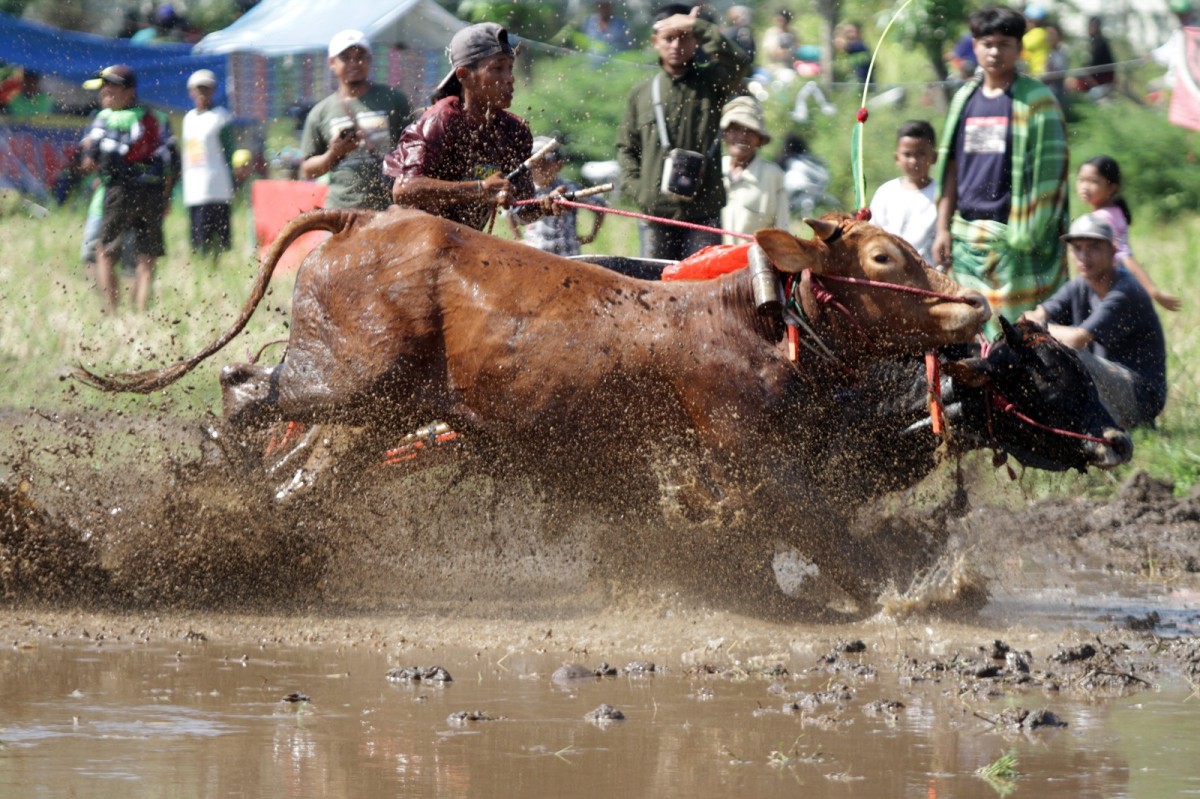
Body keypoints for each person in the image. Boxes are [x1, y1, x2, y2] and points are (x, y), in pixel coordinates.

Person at [932, 5, 1069, 334]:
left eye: (1004, 44)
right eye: (987, 43)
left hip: (1016, 240)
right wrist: (942, 228)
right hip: (966, 238)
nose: (995, 52)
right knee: (968, 338)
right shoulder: (964, 98)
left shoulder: (1037, 100)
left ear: (1019, 49)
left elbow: (1052, 176)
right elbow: (951, 167)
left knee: (1017, 342)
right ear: (974, 45)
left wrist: (1031, 230)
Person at [385, 23, 559, 230]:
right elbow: (404, 190)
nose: (510, 78)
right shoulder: (441, 120)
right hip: (420, 243)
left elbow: (521, 212)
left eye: (510, 68)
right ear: (464, 75)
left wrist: (545, 206)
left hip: (469, 246)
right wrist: (480, 188)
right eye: (497, 68)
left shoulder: (514, 131)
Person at [616, 4, 752, 260]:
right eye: (669, 38)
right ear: (655, 42)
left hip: (703, 213)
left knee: (703, 287)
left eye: (684, 37)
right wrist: (640, 191)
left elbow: (739, 63)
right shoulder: (641, 94)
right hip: (655, 214)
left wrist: (698, 27)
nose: (676, 45)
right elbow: (626, 149)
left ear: (695, 42)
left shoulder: (712, 83)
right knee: (655, 286)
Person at [1021, 214, 1167, 429]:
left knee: (1066, 352)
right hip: (1110, 382)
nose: (1084, 256)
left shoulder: (1125, 290)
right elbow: (1035, 314)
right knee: (1048, 349)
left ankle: (1117, 421)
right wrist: (1035, 322)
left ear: (1113, 250)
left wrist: (1037, 327)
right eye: (1077, 248)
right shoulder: (1080, 285)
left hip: (1142, 395)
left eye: (1093, 248)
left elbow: (1077, 339)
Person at [78, 64, 179, 312]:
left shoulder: (105, 118)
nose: (104, 92)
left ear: (129, 91)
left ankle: (112, 313)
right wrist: (165, 198)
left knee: (105, 252)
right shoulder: (157, 117)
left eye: (111, 87)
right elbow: (172, 163)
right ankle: (141, 313)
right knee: (146, 260)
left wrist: (94, 164)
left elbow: (90, 159)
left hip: (120, 191)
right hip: (152, 192)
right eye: (104, 87)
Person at [300, 29, 411, 211]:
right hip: (341, 211)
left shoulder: (394, 99)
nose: (354, 63)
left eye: (360, 56)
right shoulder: (320, 112)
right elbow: (307, 171)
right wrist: (334, 153)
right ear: (332, 63)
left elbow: (413, 148)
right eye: (345, 57)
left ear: (369, 60)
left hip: (389, 210)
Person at [1075, 155, 1180, 311]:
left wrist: (1153, 291)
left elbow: (1124, 255)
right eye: (1081, 180)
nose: (1084, 186)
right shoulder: (1115, 211)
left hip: (1108, 287)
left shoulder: (1102, 218)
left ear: (1112, 188)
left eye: (1093, 181)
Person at [508, 136, 605, 256]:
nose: (539, 168)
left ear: (559, 165)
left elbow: (600, 206)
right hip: (536, 254)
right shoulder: (525, 191)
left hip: (568, 254)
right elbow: (510, 211)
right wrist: (517, 238)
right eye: (534, 163)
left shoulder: (571, 188)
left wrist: (592, 235)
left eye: (545, 162)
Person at [869, 120, 939, 265]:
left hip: (930, 273)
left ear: (933, 157)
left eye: (921, 154)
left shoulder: (941, 195)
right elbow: (873, 232)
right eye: (907, 155)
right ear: (897, 158)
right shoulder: (886, 192)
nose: (913, 161)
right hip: (891, 272)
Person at [718, 96, 787, 244]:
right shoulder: (715, 169)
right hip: (709, 261)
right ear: (725, 134)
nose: (742, 137)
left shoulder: (773, 175)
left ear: (760, 139)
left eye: (750, 131)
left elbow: (782, 230)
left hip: (752, 263)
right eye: (735, 130)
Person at [181, 69, 235, 256]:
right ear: (191, 91)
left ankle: (216, 266)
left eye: (206, 88)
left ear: (213, 91)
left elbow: (229, 150)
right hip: (194, 185)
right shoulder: (188, 119)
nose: (202, 93)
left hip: (216, 184)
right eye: (198, 89)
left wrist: (234, 178)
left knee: (218, 237)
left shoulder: (220, 117)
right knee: (198, 237)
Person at [1072, 16, 1116, 101]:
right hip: (1099, 77)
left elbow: (1094, 64)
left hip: (1101, 80)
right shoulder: (1096, 41)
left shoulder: (1099, 42)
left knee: (1073, 82)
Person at [760, 9, 797, 73]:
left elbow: (797, 48)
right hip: (774, 67)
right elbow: (772, 52)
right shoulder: (772, 33)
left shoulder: (792, 33)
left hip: (791, 66)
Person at [1020, 3, 1049, 76]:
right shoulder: (1042, 32)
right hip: (1035, 73)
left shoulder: (1038, 33)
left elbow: (1019, 44)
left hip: (1037, 73)